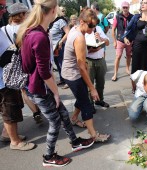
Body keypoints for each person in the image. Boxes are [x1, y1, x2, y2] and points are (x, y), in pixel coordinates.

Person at [17, 0, 94, 167]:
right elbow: (44, 72)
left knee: (64, 114)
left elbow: (31, 66)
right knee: (55, 121)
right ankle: (48, 156)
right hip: (39, 88)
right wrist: (56, 93)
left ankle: (75, 142)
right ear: (53, 10)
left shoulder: (34, 31)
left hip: (40, 85)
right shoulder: (39, 35)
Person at [61, 8, 110, 142]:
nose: (93, 29)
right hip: (72, 74)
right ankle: (93, 135)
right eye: (90, 25)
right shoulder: (79, 37)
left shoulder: (75, 29)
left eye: (95, 26)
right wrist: (92, 88)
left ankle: (74, 118)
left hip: (71, 71)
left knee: (81, 96)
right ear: (82, 21)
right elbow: (82, 67)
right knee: (86, 103)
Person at [0, 0, 35, 151]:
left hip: (7, 77)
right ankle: (14, 141)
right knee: (8, 110)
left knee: (12, 107)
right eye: (1, 7)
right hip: (3, 79)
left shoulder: (2, 29)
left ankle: (11, 135)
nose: (3, 10)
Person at [1, 2, 43, 124]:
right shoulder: (27, 28)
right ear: (22, 14)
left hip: (13, 64)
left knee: (23, 90)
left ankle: (35, 112)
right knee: (34, 86)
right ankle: (42, 108)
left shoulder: (3, 29)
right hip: (27, 61)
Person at [124, 0, 147, 75]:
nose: (142, 4)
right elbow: (127, 29)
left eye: (145, 3)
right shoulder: (136, 17)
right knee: (136, 68)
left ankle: (146, 86)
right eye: (142, 3)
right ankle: (134, 86)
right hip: (138, 46)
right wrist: (125, 38)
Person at [111, 1, 133, 81]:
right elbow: (113, 29)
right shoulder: (117, 16)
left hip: (129, 40)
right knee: (118, 56)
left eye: (126, 7)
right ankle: (115, 74)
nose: (125, 9)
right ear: (121, 8)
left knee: (128, 55)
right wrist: (114, 41)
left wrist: (133, 40)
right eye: (123, 7)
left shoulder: (132, 17)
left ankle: (127, 69)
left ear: (128, 7)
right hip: (120, 40)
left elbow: (134, 29)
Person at [49, 6, 70, 89]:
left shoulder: (60, 21)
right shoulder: (52, 22)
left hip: (60, 46)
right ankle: (62, 79)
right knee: (58, 64)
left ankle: (68, 81)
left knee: (63, 64)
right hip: (53, 47)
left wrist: (61, 41)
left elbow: (68, 32)